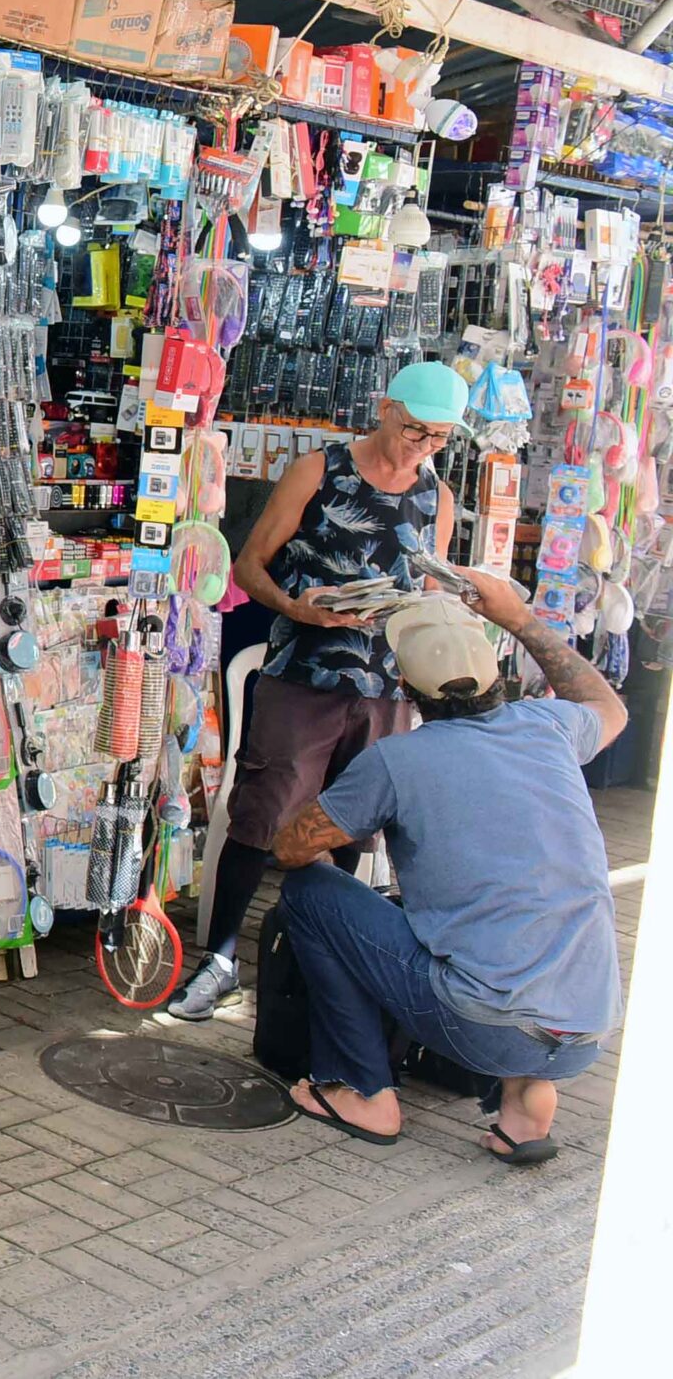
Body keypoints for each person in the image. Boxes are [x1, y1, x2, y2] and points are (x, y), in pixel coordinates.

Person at [273, 569, 624, 1163]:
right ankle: (522, 1106)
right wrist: (517, 616)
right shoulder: (549, 726)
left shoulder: (399, 759)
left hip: (485, 1025)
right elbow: (606, 704)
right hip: (588, 1029)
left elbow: (290, 849)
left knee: (311, 893)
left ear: (407, 690)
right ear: (496, 676)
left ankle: (363, 1091)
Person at [167, 360, 462, 1021]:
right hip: (303, 673)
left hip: (386, 687)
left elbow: (432, 586)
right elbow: (249, 565)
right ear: (385, 407)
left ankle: (314, 959)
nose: (424, 446)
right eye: (416, 429)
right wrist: (300, 608)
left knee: (356, 824)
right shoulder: (320, 470)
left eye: (440, 437)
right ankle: (218, 959)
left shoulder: (435, 496)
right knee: (260, 813)